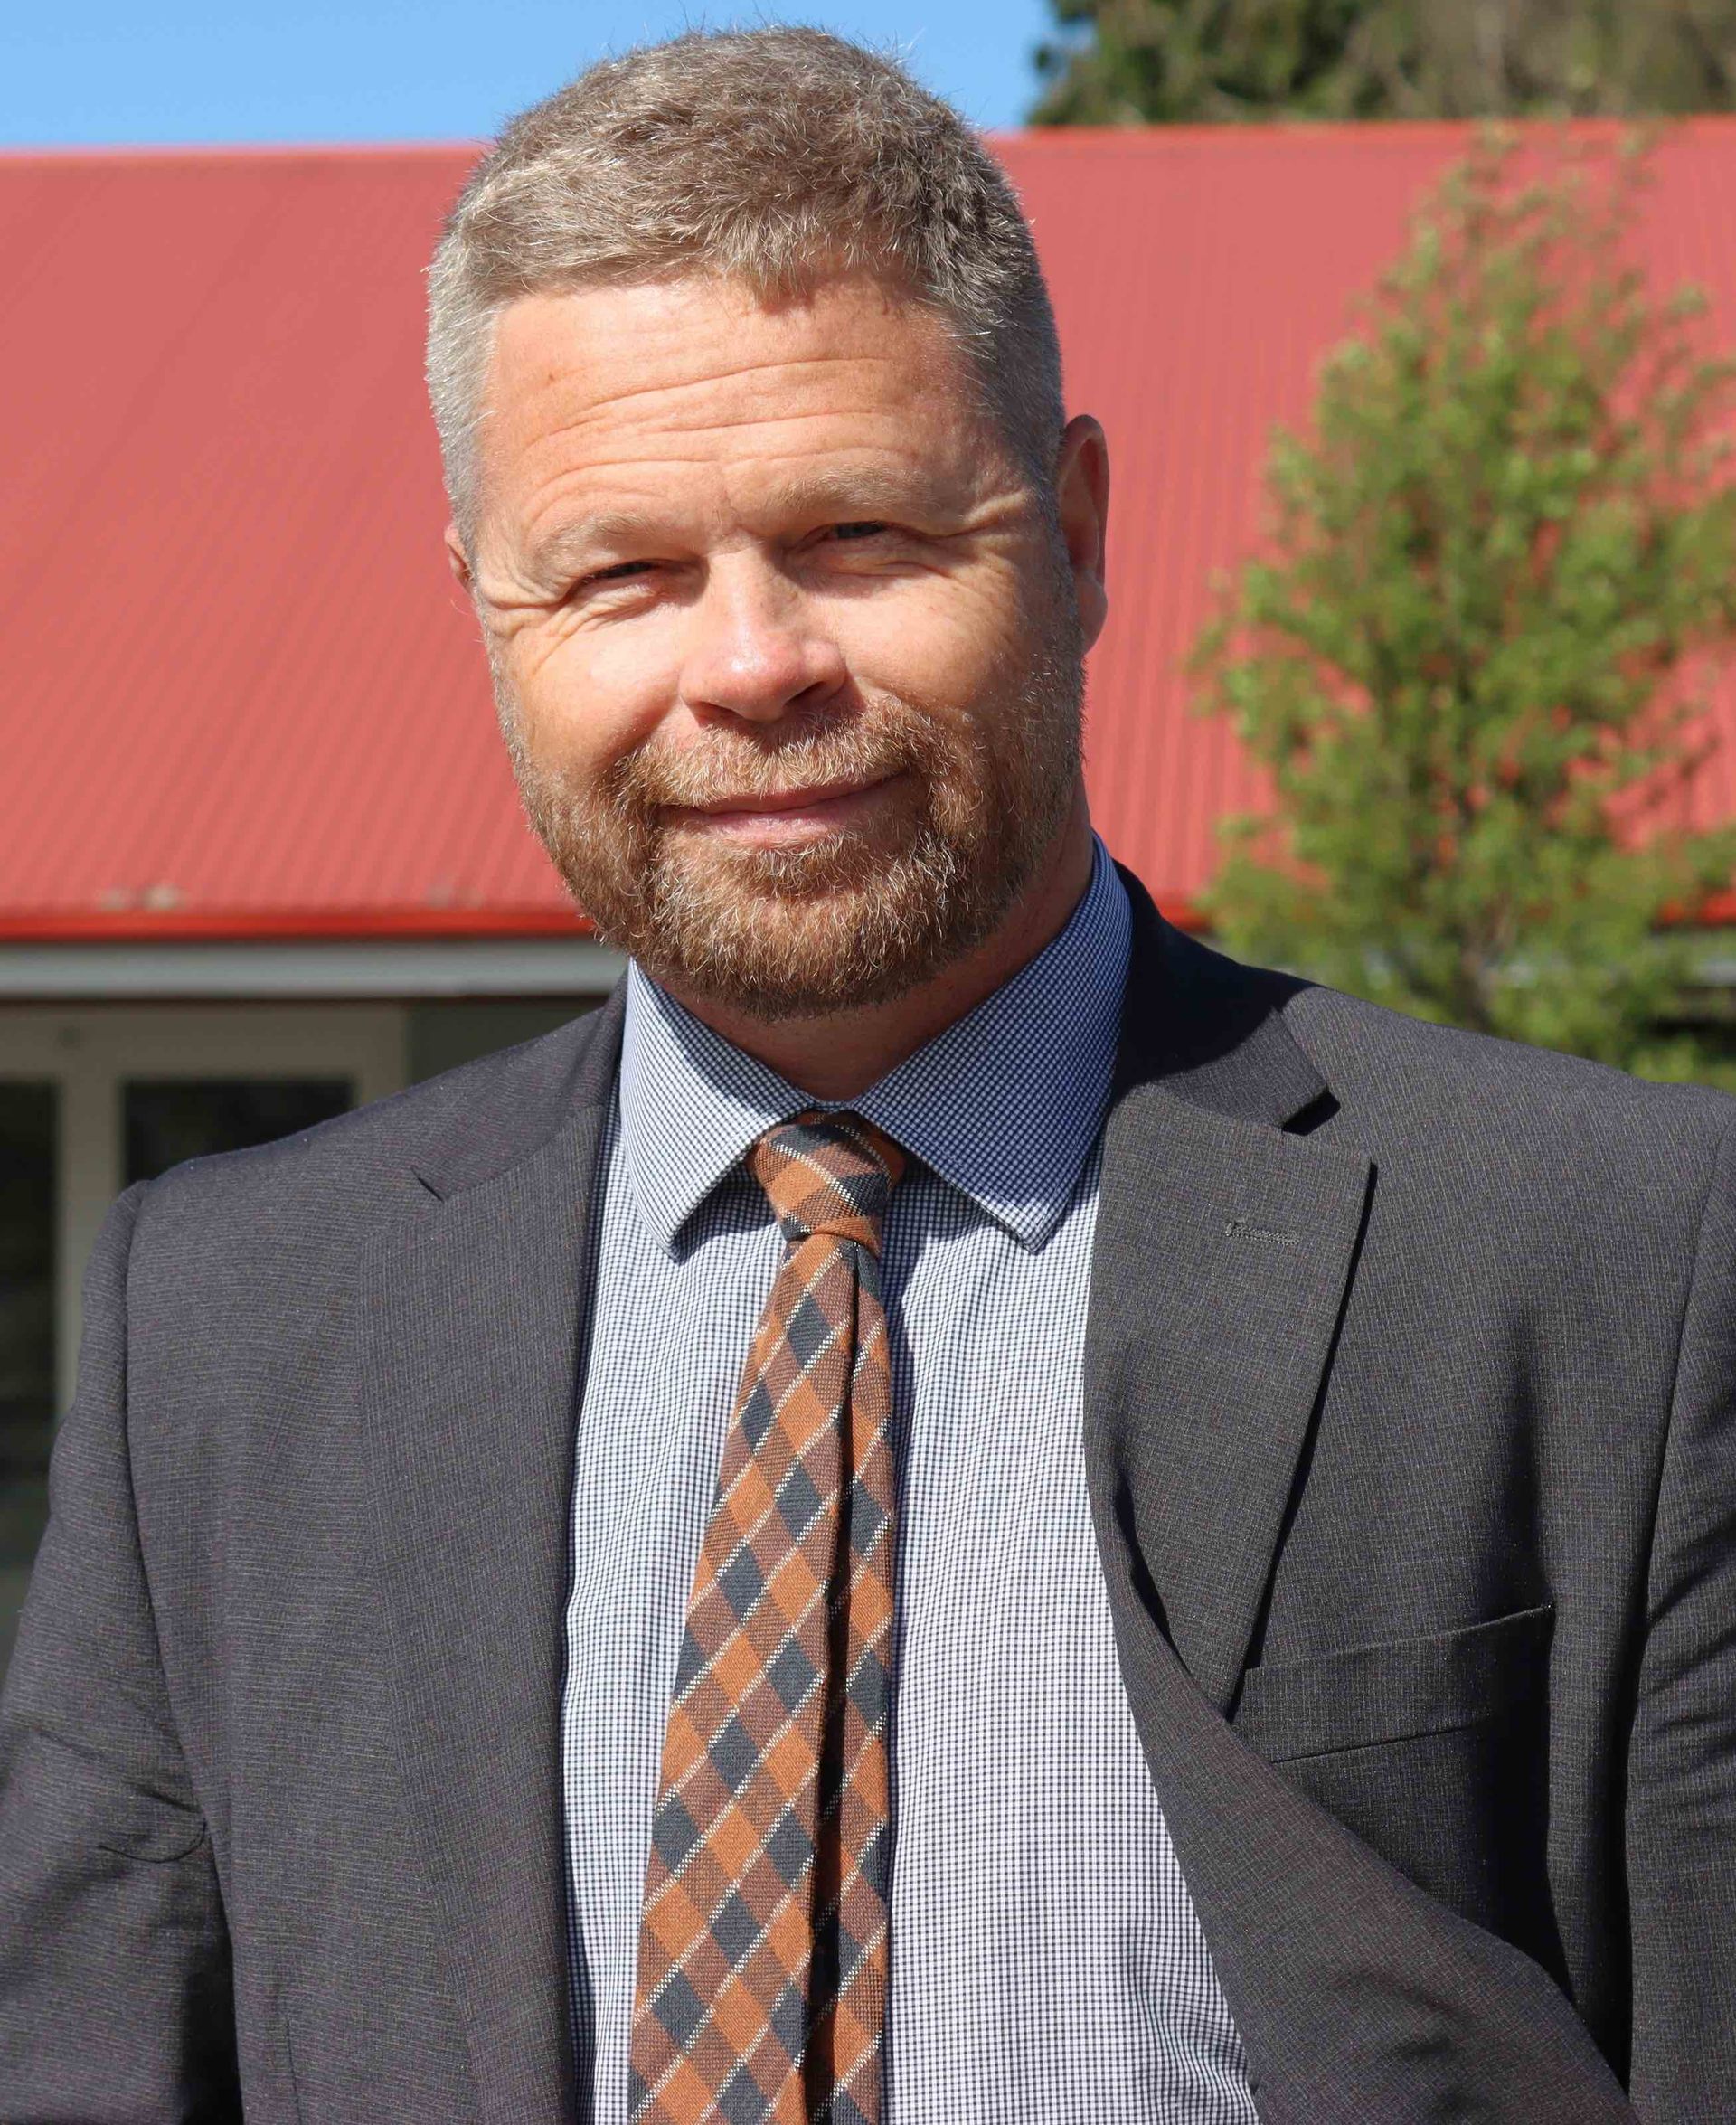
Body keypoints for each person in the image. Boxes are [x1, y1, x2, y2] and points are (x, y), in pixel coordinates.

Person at [1, 27, 1731, 2124]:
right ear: (486, 614)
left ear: (1076, 535)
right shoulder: (227, 1327)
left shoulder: (1615, 1264)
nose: (749, 662)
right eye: (623, 570)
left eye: (860, 531)